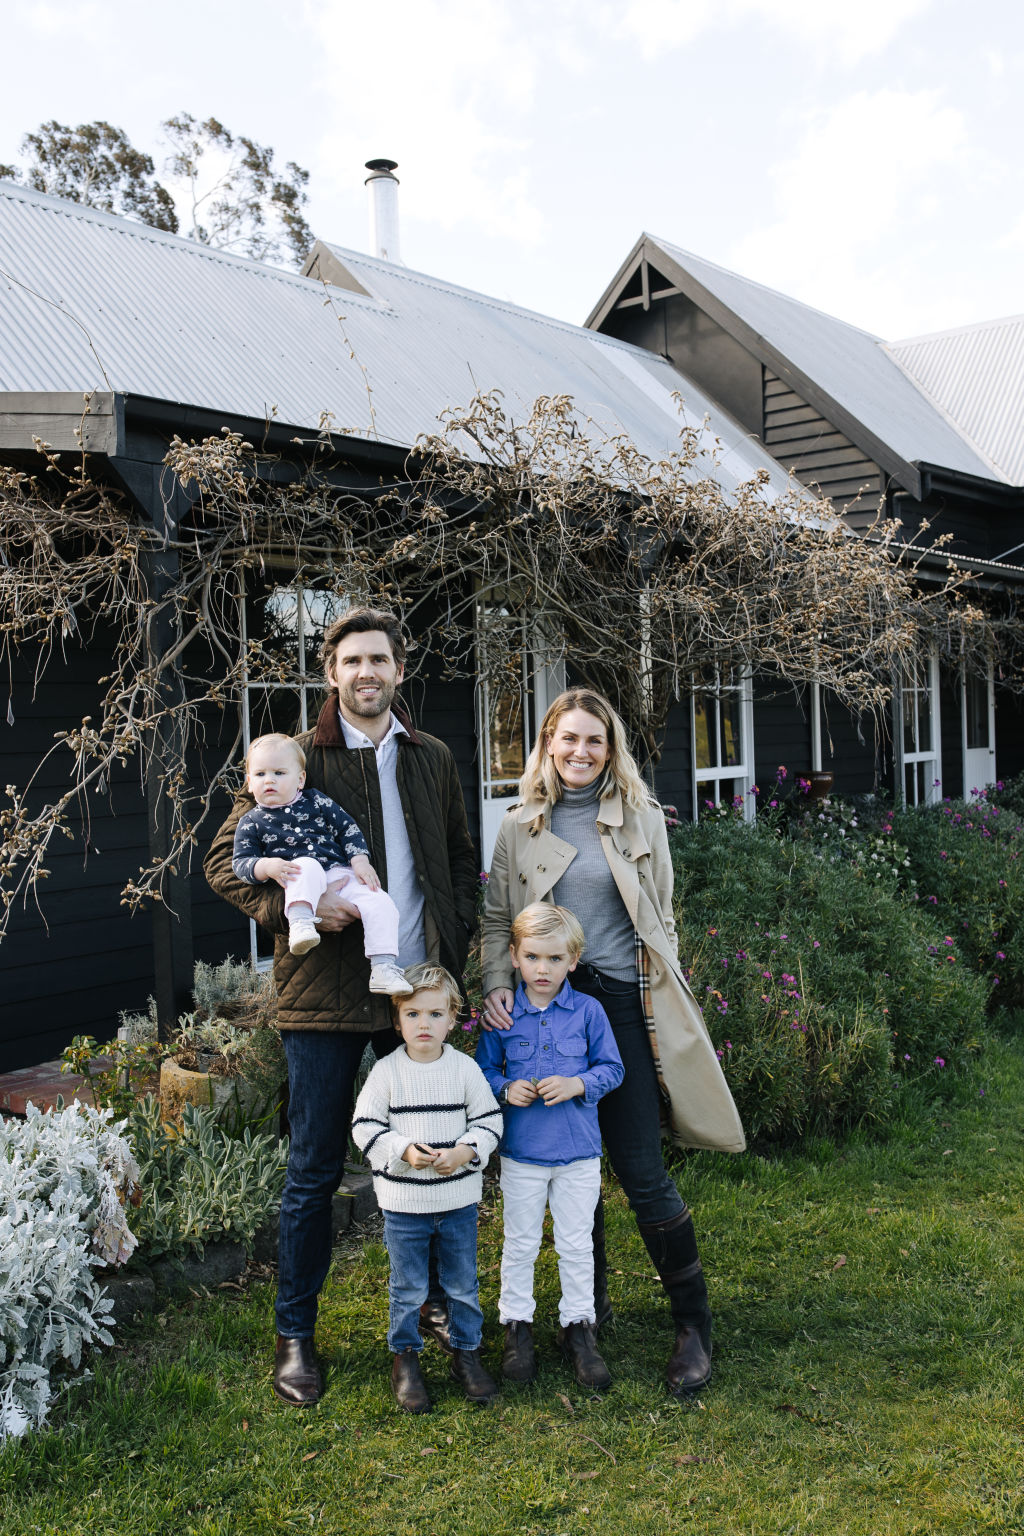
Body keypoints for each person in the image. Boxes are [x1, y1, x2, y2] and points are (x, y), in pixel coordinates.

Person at [204, 607, 479, 1406]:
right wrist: (292, 909)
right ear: (331, 673)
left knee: (431, 1153)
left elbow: (458, 860)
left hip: (415, 993)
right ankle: (297, 1334)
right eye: (352, 660)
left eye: (380, 660)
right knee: (315, 1170)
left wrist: (453, 950)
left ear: (400, 670)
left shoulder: (430, 756)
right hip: (323, 996)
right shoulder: (295, 758)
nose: (367, 673)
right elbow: (227, 859)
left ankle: (433, 1305)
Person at [480, 687, 746, 1398]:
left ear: (611, 748)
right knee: (570, 1166)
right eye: (566, 739)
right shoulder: (518, 827)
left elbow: (661, 913)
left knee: (638, 1168)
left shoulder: (641, 818)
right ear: (546, 744)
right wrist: (496, 982)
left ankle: (694, 1324)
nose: (579, 752)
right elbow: (496, 920)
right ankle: (583, 1316)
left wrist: (665, 1001)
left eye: (593, 740)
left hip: (622, 1005)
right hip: (545, 1008)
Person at [476, 904, 623, 1390]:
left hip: (579, 1152)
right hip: (522, 1153)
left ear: (573, 960)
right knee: (519, 1242)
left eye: (555, 959)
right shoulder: (503, 1016)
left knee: (576, 1244)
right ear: (514, 957)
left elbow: (612, 1069)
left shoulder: (588, 1012)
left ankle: (578, 1328)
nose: (543, 969)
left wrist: (579, 1084)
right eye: (533, 957)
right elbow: (481, 1071)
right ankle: (516, 1328)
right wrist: (504, 1088)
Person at [351, 963, 502, 1413]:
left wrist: (467, 1150)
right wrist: (402, 1150)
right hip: (404, 1203)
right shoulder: (386, 1072)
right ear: (397, 1020)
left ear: (453, 1019)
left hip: (457, 1200)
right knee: (409, 1286)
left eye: (436, 1015)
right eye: (413, 1014)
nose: (424, 1024)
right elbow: (364, 1126)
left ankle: (466, 1353)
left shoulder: (464, 1069)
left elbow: (489, 1120)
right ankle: (406, 1358)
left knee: (461, 1284)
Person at [232, 732, 411, 993]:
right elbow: (240, 863)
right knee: (306, 865)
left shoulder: (315, 800)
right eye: (260, 775)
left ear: (300, 779)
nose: (269, 780)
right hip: (298, 877)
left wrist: (360, 860)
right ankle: (301, 923)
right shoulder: (251, 821)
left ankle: (383, 966)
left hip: (340, 873)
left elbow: (346, 827)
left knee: (381, 901)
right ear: (249, 783)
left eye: (279, 773)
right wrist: (267, 867)